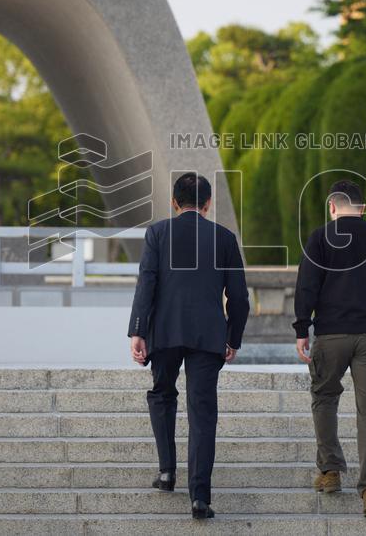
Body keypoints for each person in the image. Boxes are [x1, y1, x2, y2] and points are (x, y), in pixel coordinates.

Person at [127, 173, 250, 519]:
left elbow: (146, 284)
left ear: (174, 202)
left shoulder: (157, 233)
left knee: (162, 394)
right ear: (208, 204)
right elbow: (239, 296)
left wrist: (138, 330)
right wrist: (232, 337)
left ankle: (167, 472)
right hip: (208, 336)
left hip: (164, 332)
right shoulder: (224, 238)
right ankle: (199, 497)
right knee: (202, 412)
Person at [293, 179, 366, 518]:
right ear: (362, 208)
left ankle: (330, 471)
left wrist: (303, 329)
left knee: (325, 398)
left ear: (332, 206)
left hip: (331, 335)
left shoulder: (319, 238)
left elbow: (306, 287)